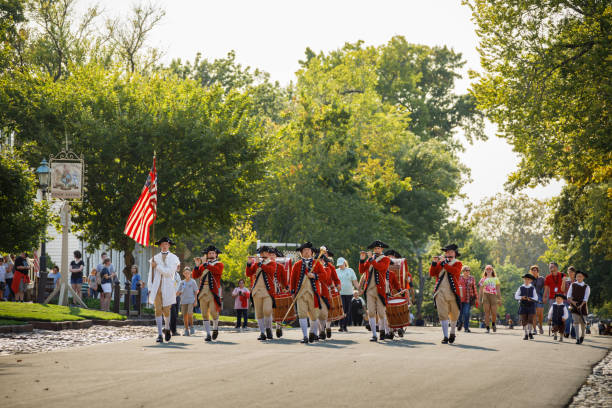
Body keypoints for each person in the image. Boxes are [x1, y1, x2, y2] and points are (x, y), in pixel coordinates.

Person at [290, 242, 327, 344]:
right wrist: (292, 292)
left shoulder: (317, 263)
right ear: (301, 253)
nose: (306, 252)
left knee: (314, 316)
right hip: (300, 294)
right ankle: (305, 336)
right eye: (304, 251)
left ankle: (312, 333)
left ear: (312, 252)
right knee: (302, 315)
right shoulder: (297, 265)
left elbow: (324, 275)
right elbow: (292, 280)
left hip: (313, 293)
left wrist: (314, 276)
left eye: (308, 250)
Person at [246, 246, 286, 341]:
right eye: (261, 254)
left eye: (265, 253)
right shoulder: (256, 264)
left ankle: (268, 328)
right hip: (257, 291)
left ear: (268, 254)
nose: (263, 255)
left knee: (267, 311)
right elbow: (249, 274)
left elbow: (270, 271)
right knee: (259, 313)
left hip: (268, 291)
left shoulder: (272, 263)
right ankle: (262, 332)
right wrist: (248, 264)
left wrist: (260, 263)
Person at [148, 237, 180, 343]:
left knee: (166, 310)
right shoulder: (155, 258)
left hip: (168, 287)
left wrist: (157, 266)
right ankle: (159, 334)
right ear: (160, 245)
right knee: (158, 309)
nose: (164, 246)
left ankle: (167, 328)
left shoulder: (174, 258)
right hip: (157, 287)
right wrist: (150, 287)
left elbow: (169, 272)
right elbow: (150, 274)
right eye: (162, 244)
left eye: (166, 244)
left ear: (169, 245)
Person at [429, 244, 462, 344]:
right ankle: (445, 336)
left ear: (455, 253)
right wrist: (434, 263)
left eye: (451, 252)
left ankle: (452, 332)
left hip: (453, 292)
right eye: (447, 252)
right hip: (440, 291)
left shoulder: (458, 263)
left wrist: (443, 263)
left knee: (454, 314)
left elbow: (454, 272)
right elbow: (432, 273)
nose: (448, 254)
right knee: (442, 314)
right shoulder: (441, 263)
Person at [359, 240, 391, 342]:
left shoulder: (385, 259)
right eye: (375, 248)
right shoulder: (370, 259)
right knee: (371, 313)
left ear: (382, 249)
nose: (376, 250)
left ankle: (382, 331)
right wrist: (362, 260)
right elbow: (361, 271)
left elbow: (381, 268)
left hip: (380, 289)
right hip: (369, 290)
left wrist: (371, 260)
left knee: (381, 313)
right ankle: (374, 334)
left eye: (378, 248)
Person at [193, 245, 224, 342]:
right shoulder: (204, 265)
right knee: (204, 313)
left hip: (213, 291)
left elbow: (217, 271)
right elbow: (195, 275)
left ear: (216, 255)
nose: (211, 255)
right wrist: (197, 265)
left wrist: (206, 264)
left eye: (213, 253)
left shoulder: (219, 264)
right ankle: (208, 334)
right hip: (203, 291)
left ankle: (215, 328)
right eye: (209, 253)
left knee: (214, 312)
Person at [567, 270, 590, 344]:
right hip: (574, 305)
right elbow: (568, 296)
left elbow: (586, 298)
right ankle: (577, 338)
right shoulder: (573, 285)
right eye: (577, 276)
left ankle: (582, 335)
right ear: (576, 277)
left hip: (583, 306)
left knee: (583, 322)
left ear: (583, 277)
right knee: (576, 322)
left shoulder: (586, 287)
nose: (578, 278)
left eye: (580, 276)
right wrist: (574, 303)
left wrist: (580, 305)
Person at [336, 257, 358, 331]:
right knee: (342, 309)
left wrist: (359, 288)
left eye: (341, 264)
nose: (340, 266)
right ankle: (341, 326)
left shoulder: (350, 270)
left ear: (344, 263)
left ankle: (345, 326)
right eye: (339, 265)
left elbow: (354, 281)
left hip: (349, 293)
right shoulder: (336, 271)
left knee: (347, 310)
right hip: (340, 293)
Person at [514, 273, 538, 340]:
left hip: (531, 305)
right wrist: (521, 297)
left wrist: (530, 298)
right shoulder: (521, 287)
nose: (526, 280)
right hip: (523, 305)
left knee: (530, 320)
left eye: (528, 279)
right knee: (524, 320)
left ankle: (530, 332)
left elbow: (536, 297)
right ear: (524, 280)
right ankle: (526, 334)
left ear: (531, 280)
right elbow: (516, 296)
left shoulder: (532, 288)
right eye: (525, 279)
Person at [479, 265, 501, 333]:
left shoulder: (495, 279)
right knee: (487, 312)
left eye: (490, 269)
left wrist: (499, 299)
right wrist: (479, 299)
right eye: (487, 269)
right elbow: (480, 290)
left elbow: (498, 289)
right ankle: (487, 327)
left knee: (494, 312)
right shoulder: (483, 279)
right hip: (485, 295)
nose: (488, 270)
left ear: (492, 270)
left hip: (493, 296)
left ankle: (493, 324)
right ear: (485, 270)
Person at [177, 267, 198, 336]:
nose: (187, 274)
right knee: (185, 316)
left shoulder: (193, 281)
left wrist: (195, 301)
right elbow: (178, 292)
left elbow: (196, 291)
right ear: (183, 274)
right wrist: (176, 293)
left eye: (188, 273)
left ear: (190, 273)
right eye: (185, 273)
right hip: (183, 301)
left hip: (191, 300)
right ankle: (186, 330)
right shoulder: (182, 282)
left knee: (190, 313)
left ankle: (191, 326)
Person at [457, 265, 478, 333]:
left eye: (469, 270)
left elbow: (474, 288)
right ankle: (460, 323)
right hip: (460, 298)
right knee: (460, 313)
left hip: (468, 298)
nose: (468, 272)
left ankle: (466, 327)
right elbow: (456, 286)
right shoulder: (459, 277)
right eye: (466, 270)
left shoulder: (472, 278)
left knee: (466, 313)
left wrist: (476, 297)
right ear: (463, 271)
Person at [562, 266, 577, 338]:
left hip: (574, 302)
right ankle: (566, 332)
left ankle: (573, 333)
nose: (570, 273)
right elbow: (562, 290)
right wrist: (563, 281)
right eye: (569, 272)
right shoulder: (566, 281)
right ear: (567, 272)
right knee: (567, 317)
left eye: (572, 272)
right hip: (566, 301)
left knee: (574, 318)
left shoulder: (577, 281)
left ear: (574, 273)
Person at [531, 265, 545, 335]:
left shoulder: (541, 279)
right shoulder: (529, 279)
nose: (534, 271)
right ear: (531, 271)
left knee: (540, 314)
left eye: (535, 270)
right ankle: (534, 329)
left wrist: (545, 297)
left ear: (537, 271)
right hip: (532, 297)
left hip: (540, 296)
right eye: (533, 270)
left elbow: (545, 288)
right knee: (534, 314)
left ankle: (541, 326)